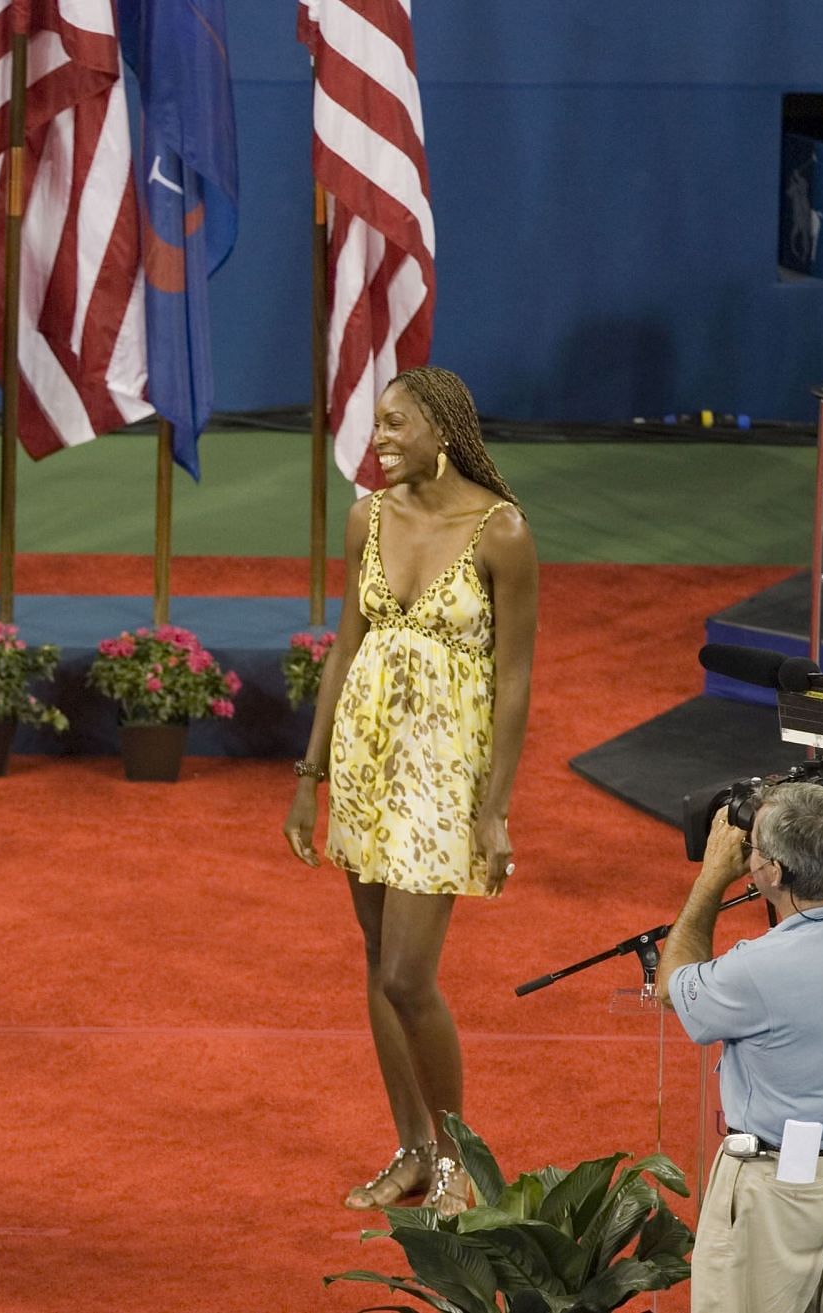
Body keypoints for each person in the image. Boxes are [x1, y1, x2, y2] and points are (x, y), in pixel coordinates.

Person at [282, 365, 538, 1219]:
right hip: (365, 763)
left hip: (444, 776)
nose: (379, 439)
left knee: (406, 975)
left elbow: (516, 681)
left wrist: (496, 806)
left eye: (395, 424)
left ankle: (463, 1160)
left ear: (442, 426)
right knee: (374, 961)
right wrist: (308, 777)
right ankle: (414, 1150)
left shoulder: (501, 532)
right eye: (376, 425)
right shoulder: (368, 519)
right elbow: (345, 650)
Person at [659, 785, 823, 1313]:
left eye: (753, 848)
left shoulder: (758, 971)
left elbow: (672, 985)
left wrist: (710, 878)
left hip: (789, 1195)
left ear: (772, 873)